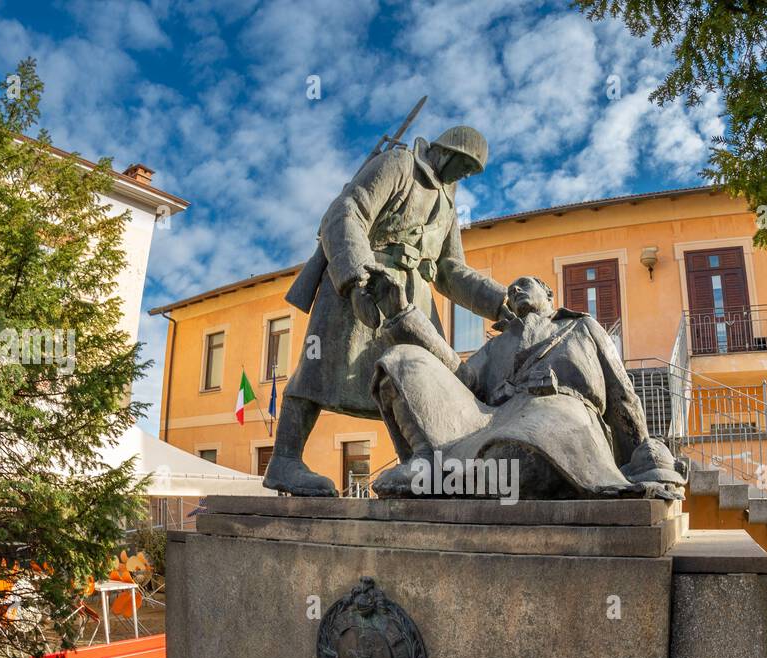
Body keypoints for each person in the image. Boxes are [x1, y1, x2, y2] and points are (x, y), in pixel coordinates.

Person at [264, 127, 508, 496]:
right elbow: (346, 213)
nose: (466, 174)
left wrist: (500, 303)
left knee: (417, 380)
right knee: (319, 369)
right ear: (445, 150)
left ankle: (418, 468)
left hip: (412, 299)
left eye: (473, 171)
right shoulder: (399, 164)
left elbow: (449, 270)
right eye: (465, 164)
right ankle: (284, 460)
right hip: (364, 279)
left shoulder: (448, 203)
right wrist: (356, 279)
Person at [370, 276, 684, 500]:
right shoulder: (498, 344)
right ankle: (427, 463)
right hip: (489, 420)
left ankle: (452, 476)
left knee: (517, 456)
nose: (515, 290)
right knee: (401, 360)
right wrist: (404, 315)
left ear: (548, 292)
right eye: (510, 290)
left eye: (524, 284)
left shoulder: (581, 326)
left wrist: (641, 457)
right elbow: (463, 379)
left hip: (560, 415)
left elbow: (622, 393)